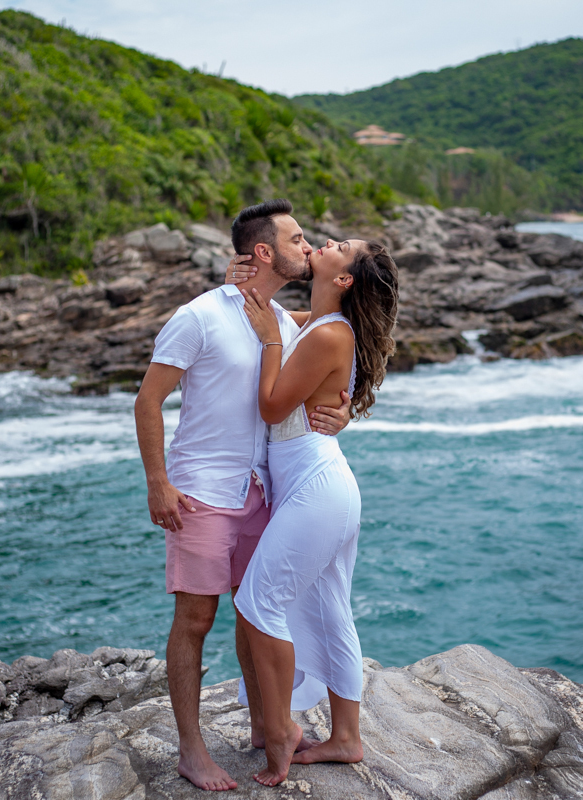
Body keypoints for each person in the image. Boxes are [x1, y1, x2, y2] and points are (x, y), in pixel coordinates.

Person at [133, 199, 353, 792]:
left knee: (254, 608)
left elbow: (337, 340)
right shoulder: (199, 316)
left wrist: (345, 409)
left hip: (259, 489)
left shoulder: (281, 321)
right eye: (298, 238)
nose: (308, 247)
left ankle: (264, 725)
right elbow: (148, 400)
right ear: (263, 251)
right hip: (200, 490)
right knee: (195, 618)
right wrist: (158, 481)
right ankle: (191, 749)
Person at [232, 236, 399, 786]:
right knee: (330, 609)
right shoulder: (323, 322)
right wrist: (245, 281)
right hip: (321, 482)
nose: (326, 241)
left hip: (317, 486)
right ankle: (346, 738)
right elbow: (275, 314)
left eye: (339, 245)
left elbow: (274, 404)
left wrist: (268, 345)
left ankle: (279, 731)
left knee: (258, 602)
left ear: (345, 277)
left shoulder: (327, 333)